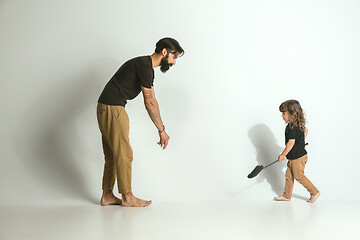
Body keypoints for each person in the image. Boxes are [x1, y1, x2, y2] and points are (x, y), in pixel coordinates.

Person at [96, 37, 184, 207]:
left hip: (105, 107)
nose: (174, 62)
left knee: (113, 155)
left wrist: (162, 128)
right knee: (124, 154)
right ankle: (127, 197)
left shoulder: (144, 66)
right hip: (113, 108)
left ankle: (107, 195)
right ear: (164, 52)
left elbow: (153, 100)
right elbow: (149, 103)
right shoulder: (145, 66)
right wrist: (161, 131)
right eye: (174, 57)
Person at [274, 100, 320, 203]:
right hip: (293, 156)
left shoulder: (292, 128)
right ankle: (287, 196)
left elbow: (290, 143)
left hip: (298, 157)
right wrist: (301, 142)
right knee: (289, 176)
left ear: (292, 114)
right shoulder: (295, 125)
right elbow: (306, 130)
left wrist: (282, 154)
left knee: (299, 176)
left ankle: (314, 192)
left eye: (284, 113)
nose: (282, 116)